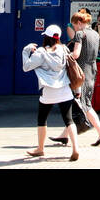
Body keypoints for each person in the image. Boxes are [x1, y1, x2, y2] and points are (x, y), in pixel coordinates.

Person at [21, 25, 80, 161]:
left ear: (46, 37)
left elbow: (26, 67)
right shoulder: (64, 50)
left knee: (42, 118)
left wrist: (26, 51)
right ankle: (76, 148)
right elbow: (72, 68)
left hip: (48, 91)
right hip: (65, 89)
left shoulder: (41, 52)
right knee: (68, 119)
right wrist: (76, 90)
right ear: (58, 37)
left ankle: (40, 149)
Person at [54, 10, 100, 148]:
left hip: (81, 72)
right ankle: (64, 136)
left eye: (74, 25)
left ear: (79, 23)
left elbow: (76, 54)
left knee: (84, 104)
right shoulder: (96, 34)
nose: (74, 28)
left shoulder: (80, 34)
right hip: (92, 70)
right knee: (80, 102)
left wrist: (65, 56)